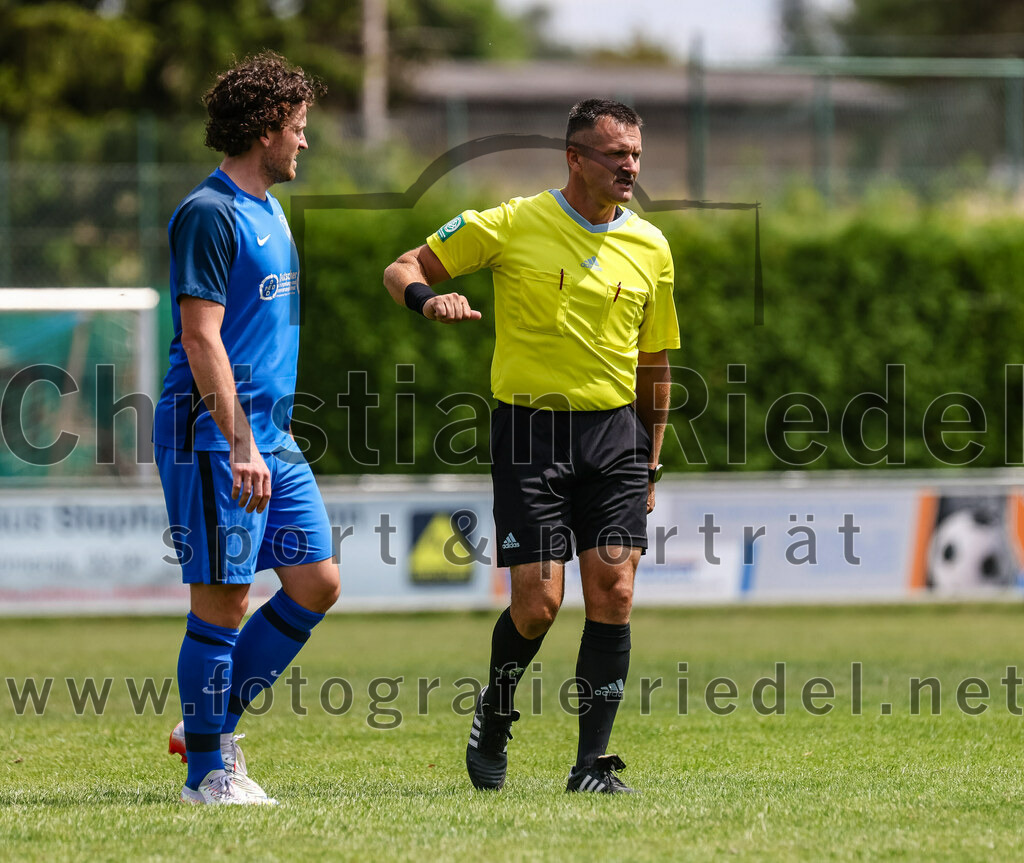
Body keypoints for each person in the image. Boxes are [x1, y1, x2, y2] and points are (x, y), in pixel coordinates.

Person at [383, 99, 678, 794]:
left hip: (616, 438)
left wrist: (652, 458)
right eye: (615, 154)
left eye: (636, 153)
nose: (630, 165)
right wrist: (431, 300)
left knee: (615, 590)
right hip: (531, 434)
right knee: (538, 604)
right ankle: (496, 709)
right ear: (576, 159)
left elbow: (655, 362)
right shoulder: (512, 223)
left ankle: (591, 765)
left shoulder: (653, 248)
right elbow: (401, 267)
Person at [152, 52, 339, 806]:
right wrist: (238, 441)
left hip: (271, 437)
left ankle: (208, 721)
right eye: (297, 129)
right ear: (264, 129)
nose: (304, 143)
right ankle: (208, 773)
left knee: (316, 581)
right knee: (223, 603)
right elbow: (202, 338)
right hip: (214, 437)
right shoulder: (210, 212)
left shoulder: (270, 208)